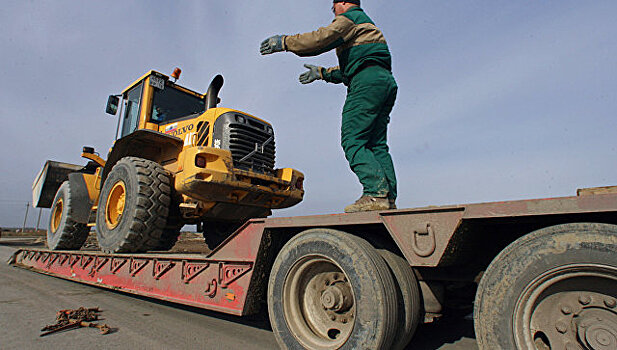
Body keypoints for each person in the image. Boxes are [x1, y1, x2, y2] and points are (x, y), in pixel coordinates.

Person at [260, 0, 398, 213]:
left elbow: (320, 39)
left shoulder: (350, 19)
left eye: (333, 6)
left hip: (366, 83)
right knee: (376, 144)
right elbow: (352, 67)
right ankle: (388, 198)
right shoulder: (368, 27)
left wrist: (285, 42)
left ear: (341, 2)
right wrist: (323, 73)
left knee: (353, 140)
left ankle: (375, 193)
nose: (332, 11)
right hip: (383, 81)